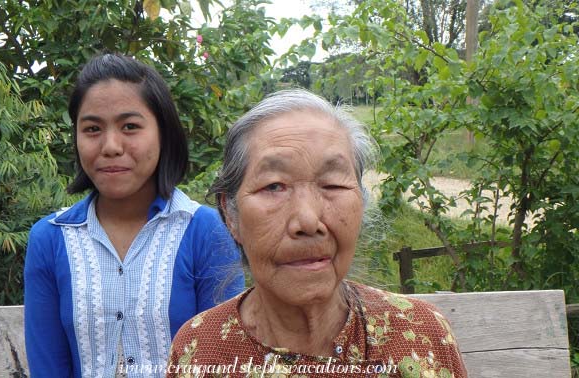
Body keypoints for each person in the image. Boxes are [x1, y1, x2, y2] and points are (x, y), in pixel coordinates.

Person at [167, 89, 467, 377]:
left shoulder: (420, 336)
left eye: (333, 185)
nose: (308, 220)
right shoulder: (199, 352)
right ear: (231, 215)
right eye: (273, 186)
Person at [24, 54, 244, 378]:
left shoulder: (204, 231)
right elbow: (48, 367)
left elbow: (224, 360)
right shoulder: (50, 239)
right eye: (92, 129)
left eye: (130, 126)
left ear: (163, 133)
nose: (111, 146)